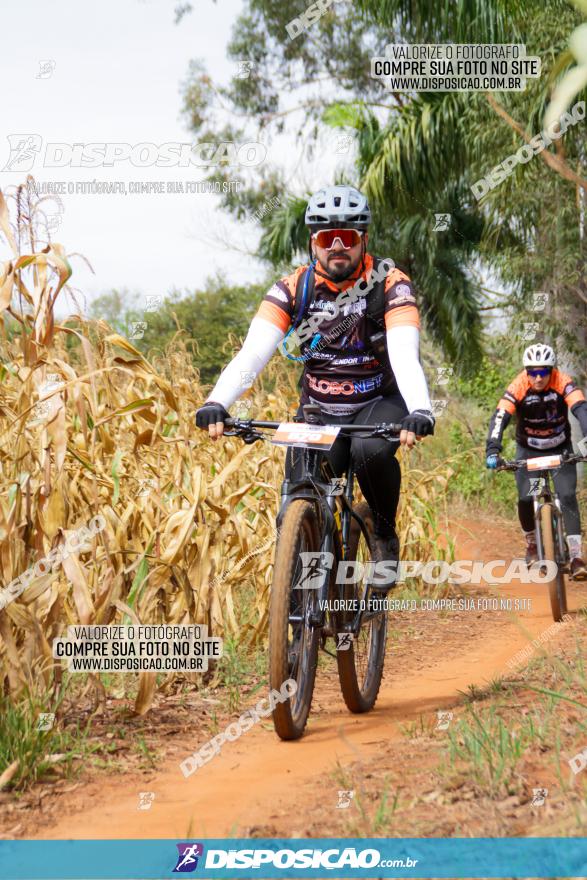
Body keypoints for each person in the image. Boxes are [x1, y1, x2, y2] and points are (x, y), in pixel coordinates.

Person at [196, 184, 434, 586]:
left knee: (368, 452)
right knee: (299, 494)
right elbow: (252, 355)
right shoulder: (294, 287)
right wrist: (217, 401)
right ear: (313, 242)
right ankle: (299, 616)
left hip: (378, 403)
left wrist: (420, 410)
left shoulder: (391, 283)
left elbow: (403, 354)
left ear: (364, 241)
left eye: (347, 237)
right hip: (319, 411)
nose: (337, 246)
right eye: (327, 237)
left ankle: (382, 532)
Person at [486, 343, 587, 579]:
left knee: (568, 495)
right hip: (529, 451)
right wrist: (492, 450)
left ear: (552, 370)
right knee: (526, 496)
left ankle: (576, 557)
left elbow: (581, 409)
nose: (538, 377)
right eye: (532, 372)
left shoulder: (562, 381)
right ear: (526, 371)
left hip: (560, 450)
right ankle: (532, 543)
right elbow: (500, 417)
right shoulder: (519, 385)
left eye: (543, 372)